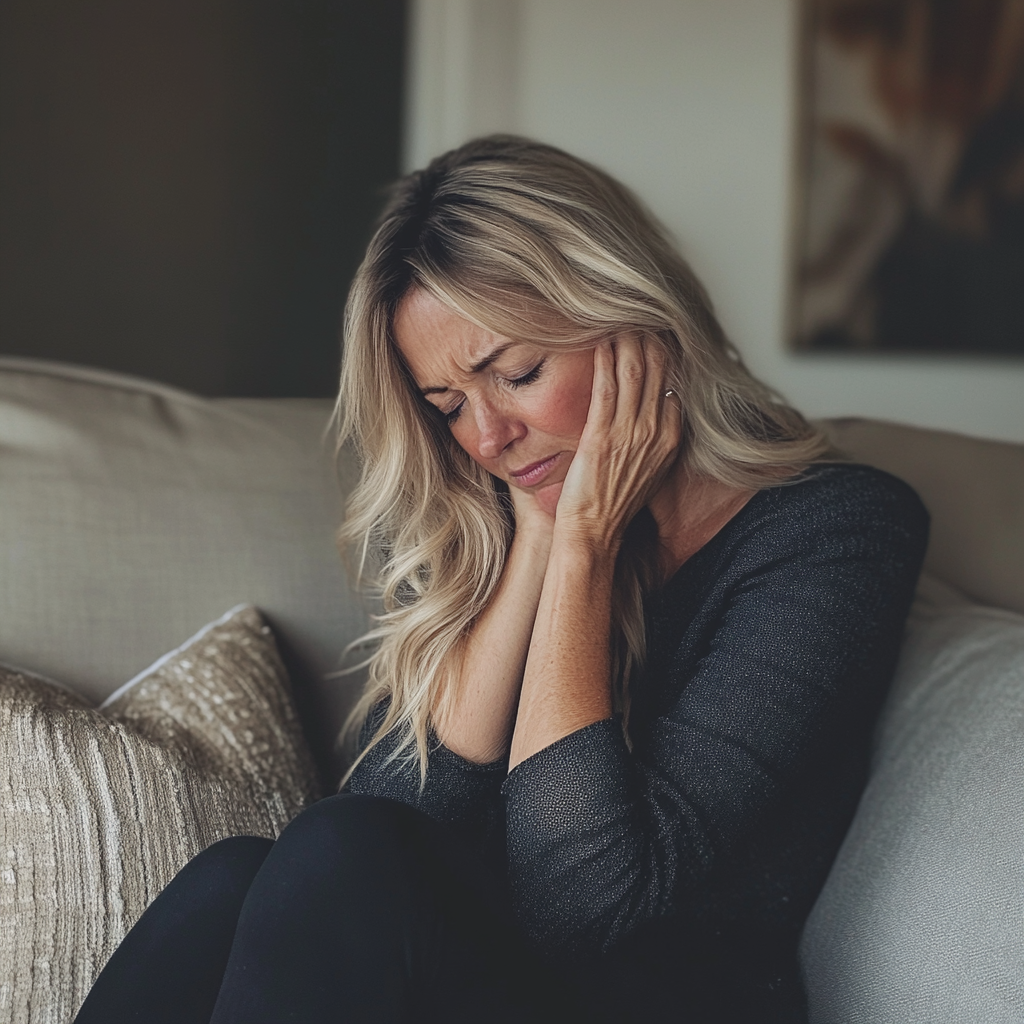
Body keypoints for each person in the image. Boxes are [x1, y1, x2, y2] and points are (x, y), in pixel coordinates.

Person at [74, 136, 928, 1024]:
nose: (486, 439)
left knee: (332, 849)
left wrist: (586, 548)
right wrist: (539, 542)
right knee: (235, 877)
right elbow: (387, 828)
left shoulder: (838, 531)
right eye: (447, 407)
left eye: (517, 375)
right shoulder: (483, 518)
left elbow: (587, 902)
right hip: (481, 986)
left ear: (638, 324)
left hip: (662, 1000)